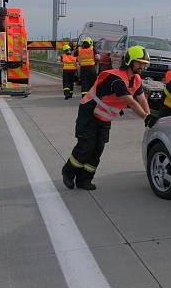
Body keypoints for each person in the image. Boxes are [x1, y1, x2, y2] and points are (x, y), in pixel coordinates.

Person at [62, 46, 152, 191]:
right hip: (89, 113)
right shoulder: (116, 79)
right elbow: (130, 101)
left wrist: (149, 116)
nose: (142, 66)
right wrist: (145, 118)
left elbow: (141, 99)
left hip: (104, 117)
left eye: (144, 63)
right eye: (139, 63)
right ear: (129, 61)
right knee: (86, 146)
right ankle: (68, 172)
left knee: (98, 149)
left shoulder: (136, 80)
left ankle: (84, 180)